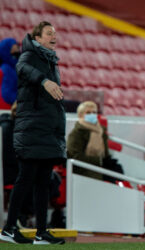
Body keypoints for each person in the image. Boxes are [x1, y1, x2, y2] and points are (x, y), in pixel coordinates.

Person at [0, 21, 65, 245]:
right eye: (49, 33)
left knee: (43, 181)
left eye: (54, 33)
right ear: (37, 38)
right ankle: (8, 229)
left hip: (46, 131)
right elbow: (22, 69)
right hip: (31, 129)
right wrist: (44, 80)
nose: (54, 36)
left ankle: (41, 232)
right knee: (25, 179)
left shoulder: (51, 61)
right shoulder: (29, 55)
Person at [67, 101, 123, 181]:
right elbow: (75, 156)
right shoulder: (76, 133)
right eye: (88, 113)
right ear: (80, 115)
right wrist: (98, 160)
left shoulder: (101, 131)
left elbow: (105, 154)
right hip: (83, 170)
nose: (92, 115)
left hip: (99, 168)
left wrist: (109, 162)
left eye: (94, 112)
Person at [0, 38, 20, 107]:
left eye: (17, 47)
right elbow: (7, 94)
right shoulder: (6, 69)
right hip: (8, 109)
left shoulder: (15, 67)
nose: (18, 50)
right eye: (14, 48)